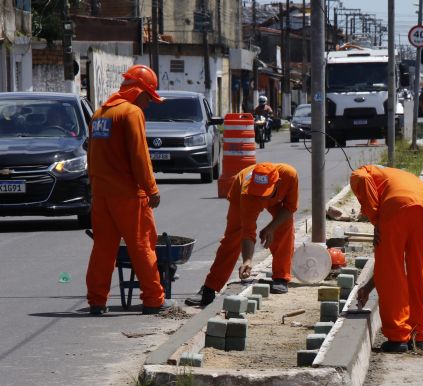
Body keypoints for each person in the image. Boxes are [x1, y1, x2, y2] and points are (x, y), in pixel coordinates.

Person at [85, 64, 173, 315]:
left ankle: (97, 301)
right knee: (143, 244)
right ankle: (154, 300)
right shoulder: (131, 113)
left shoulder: (101, 113)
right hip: (128, 194)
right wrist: (152, 189)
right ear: (138, 91)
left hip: (101, 194)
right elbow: (140, 156)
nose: (148, 104)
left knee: (103, 248)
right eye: (148, 98)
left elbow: (92, 155)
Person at [351, 165, 423, 353]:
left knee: (391, 269)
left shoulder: (362, 171)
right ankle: (419, 335)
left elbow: (362, 180)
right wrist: (368, 287)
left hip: (396, 206)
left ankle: (398, 336)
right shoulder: (399, 174)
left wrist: (375, 218)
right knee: (417, 268)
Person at [185, 161, 298, 307]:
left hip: (278, 201)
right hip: (243, 196)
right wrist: (247, 261)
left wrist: (271, 228)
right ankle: (209, 288)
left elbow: (290, 208)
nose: (261, 198)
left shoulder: (289, 175)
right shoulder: (249, 193)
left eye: (264, 194)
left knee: (285, 225)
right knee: (233, 237)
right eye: (259, 193)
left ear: (277, 183)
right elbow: (247, 232)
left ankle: (281, 278)